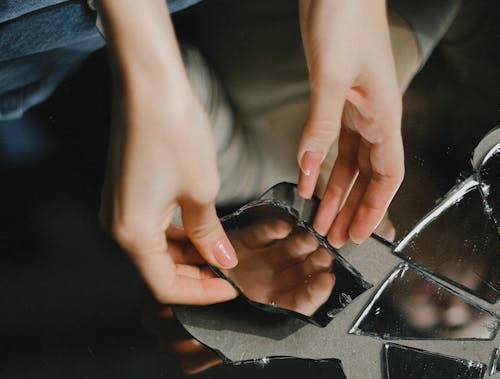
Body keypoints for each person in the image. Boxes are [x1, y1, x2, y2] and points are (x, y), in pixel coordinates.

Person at [0, 1, 463, 306]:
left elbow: (175, 102)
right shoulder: (470, 52)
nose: (450, 314)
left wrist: (216, 267)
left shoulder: (252, 171)